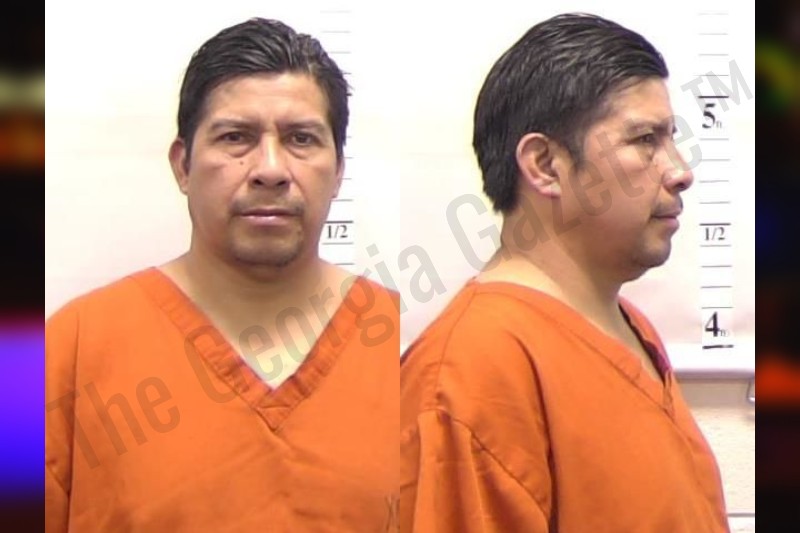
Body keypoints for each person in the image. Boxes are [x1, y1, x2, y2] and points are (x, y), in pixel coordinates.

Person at [45, 18, 399, 532]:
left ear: (339, 169)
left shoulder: (403, 349)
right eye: (236, 137)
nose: (271, 169)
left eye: (301, 139)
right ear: (183, 165)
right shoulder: (63, 352)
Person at [400, 13, 729, 532]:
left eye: (670, 138)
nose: (680, 171)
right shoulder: (472, 370)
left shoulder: (631, 327)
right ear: (545, 165)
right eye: (645, 140)